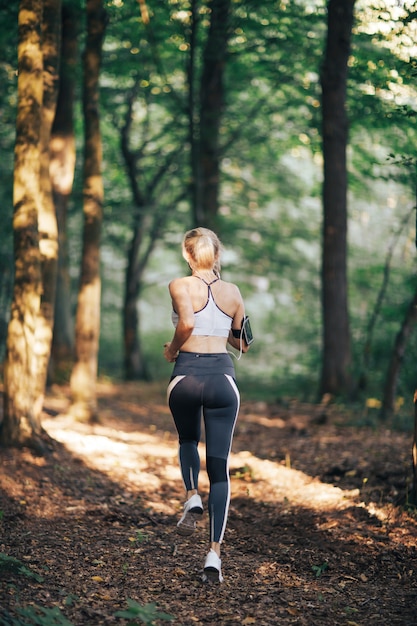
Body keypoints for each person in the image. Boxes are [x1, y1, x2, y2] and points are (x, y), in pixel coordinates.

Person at [163, 227, 252, 583]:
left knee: (187, 441)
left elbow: (186, 323)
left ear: (188, 256)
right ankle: (213, 554)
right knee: (220, 468)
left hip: (185, 378)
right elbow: (242, 343)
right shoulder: (233, 292)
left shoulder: (179, 285)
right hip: (222, 382)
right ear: (218, 256)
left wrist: (171, 350)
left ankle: (190, 496)